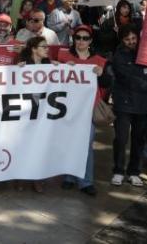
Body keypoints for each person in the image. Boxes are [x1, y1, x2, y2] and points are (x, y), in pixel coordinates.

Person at [110, 25, 147, 187]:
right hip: (124, 104)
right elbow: (129, 80)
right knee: (121, 139)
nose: (131, 42)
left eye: (134, 38)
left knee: (139, 139)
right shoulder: (118, 56)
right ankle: (118, 171)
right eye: (127, 39)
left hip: (145, 104)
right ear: (122, 40)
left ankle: (134, 172)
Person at [57, 26, 110, 197]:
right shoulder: (65, 57)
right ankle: (69, 177)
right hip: (68, 109)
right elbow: (54, 77)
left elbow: (108, 83)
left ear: (90, 41)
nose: (81, 41)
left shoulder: (98, 60)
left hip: (88, 109)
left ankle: (86, 181)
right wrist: (62, 67)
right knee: (69, 142)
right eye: (78, 37)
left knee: (86, 145)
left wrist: (101, 74)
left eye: (85, 38)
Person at [17, 36, 53, 193]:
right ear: (33, 49)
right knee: (23, 145)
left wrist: (67, 68)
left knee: (39, 146)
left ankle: (37, 178)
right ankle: (20, 177)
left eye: (47, 46)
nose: (47, 49)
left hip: (42, 112)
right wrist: (17, 70)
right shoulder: (23, 64)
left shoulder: (48, 64)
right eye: (43, 46)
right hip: (25, 112)